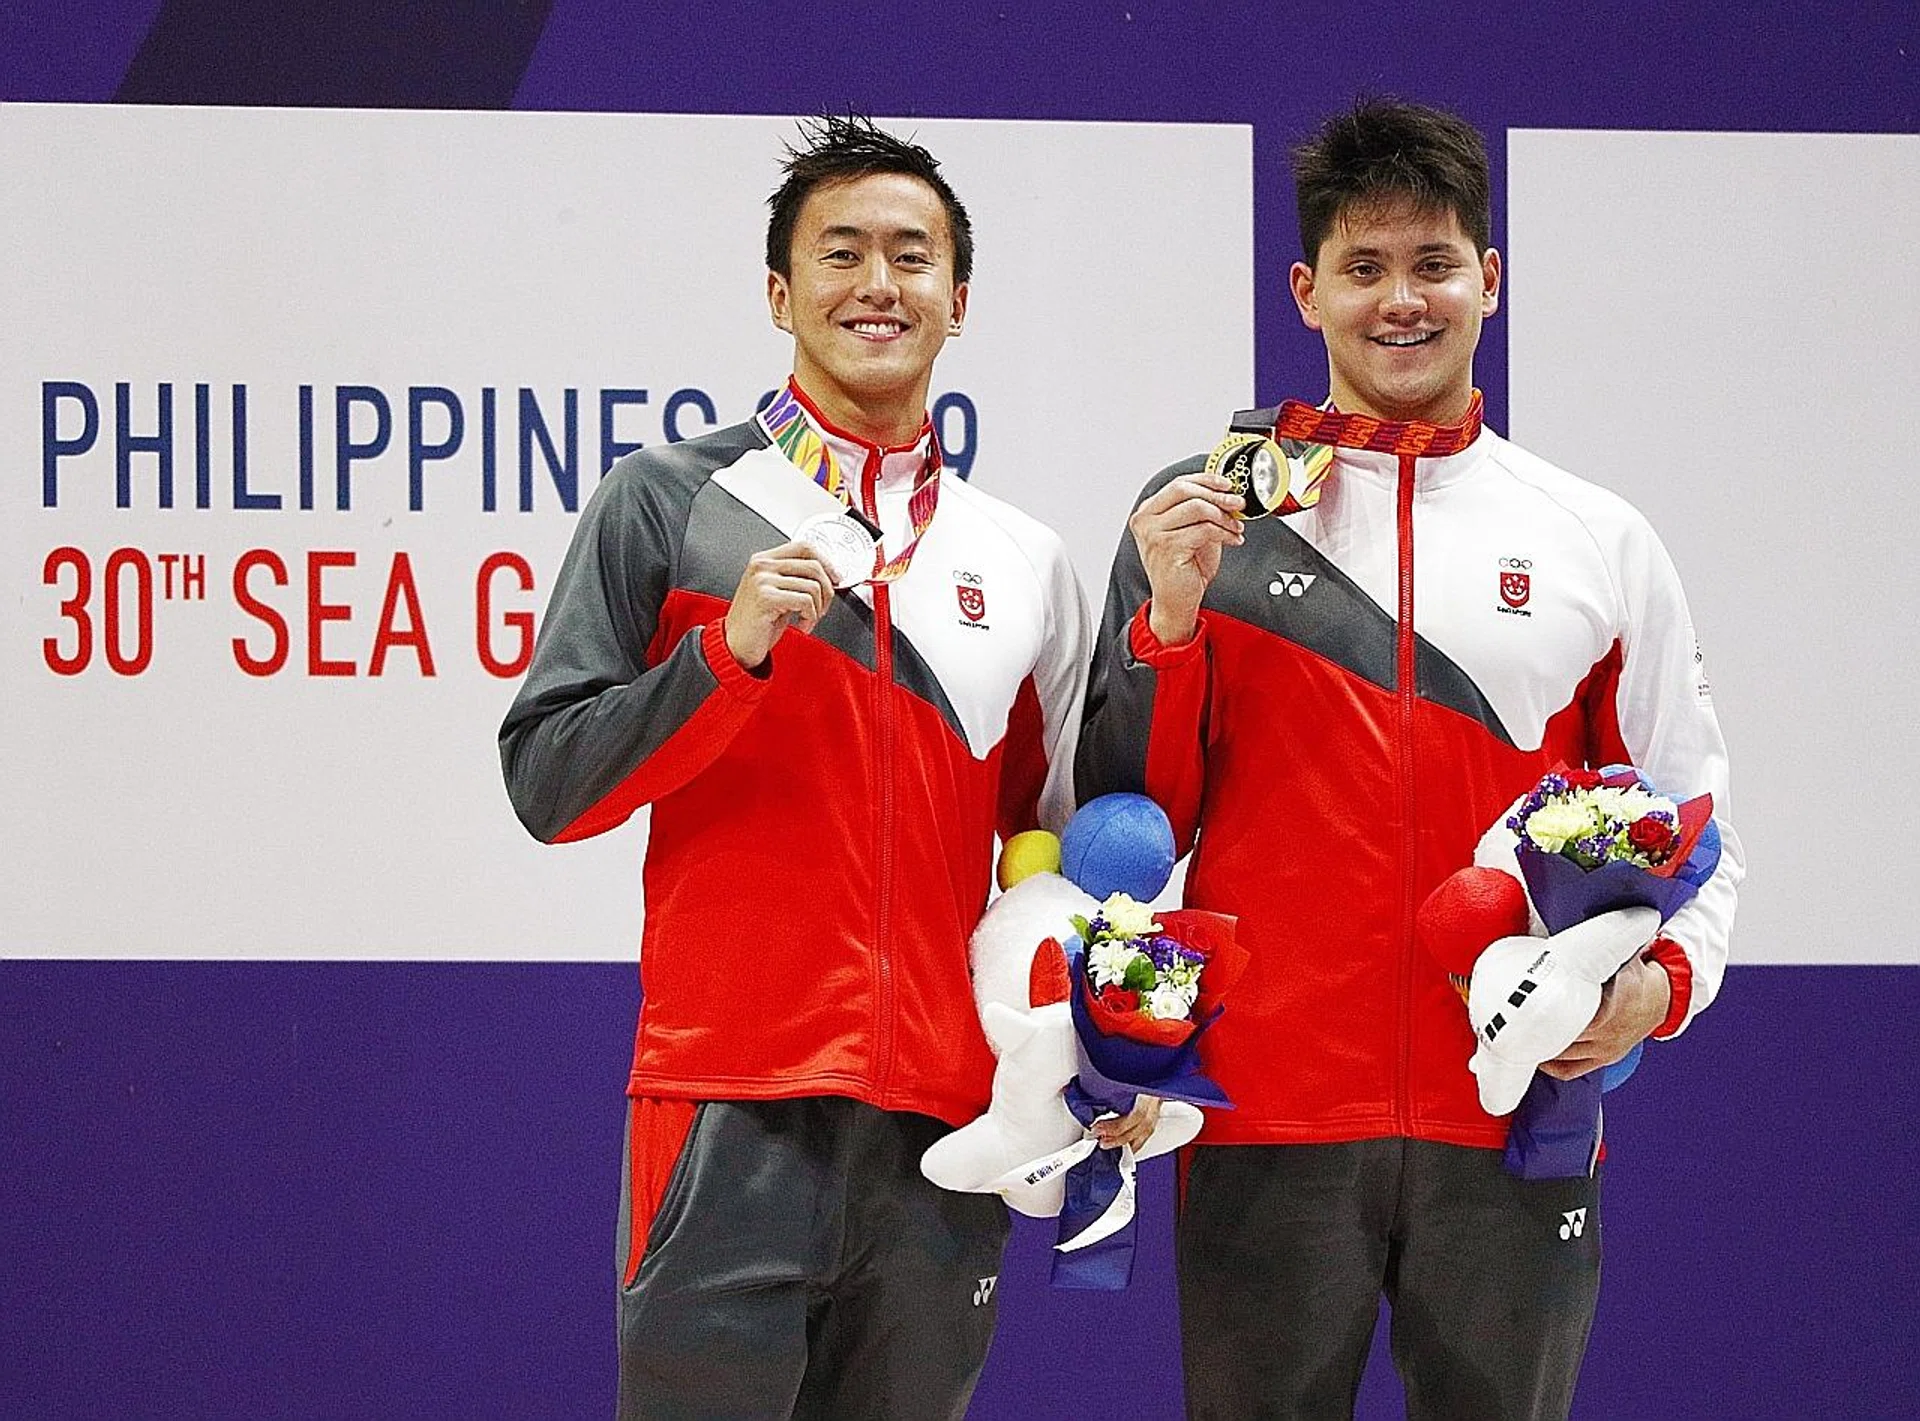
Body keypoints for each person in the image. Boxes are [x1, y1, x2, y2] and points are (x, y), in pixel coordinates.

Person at [1077, 98, 1744, 1420]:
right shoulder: (1200, 515)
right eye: (1365, 268)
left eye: (1434, 265)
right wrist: (1168, 619)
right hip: (1267, 1116)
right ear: (1306, 289)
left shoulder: (1597, 538)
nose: (1402, 301)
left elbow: (1694, 812)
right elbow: (1125, 822)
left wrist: (1657, 987)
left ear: (1490, 282)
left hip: (1514, 1116)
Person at [499, 115, 1128, 1419]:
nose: (877, 284)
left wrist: (1102, 1051)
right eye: (841, 253)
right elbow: (549, 780)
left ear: (959, 299)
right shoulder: (670, 503)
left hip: (942, 1131)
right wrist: (724, 656)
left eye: (912, 255)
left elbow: (1059, 855)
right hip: (731, 1106)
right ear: (781, 291)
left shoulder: (1021, 558)